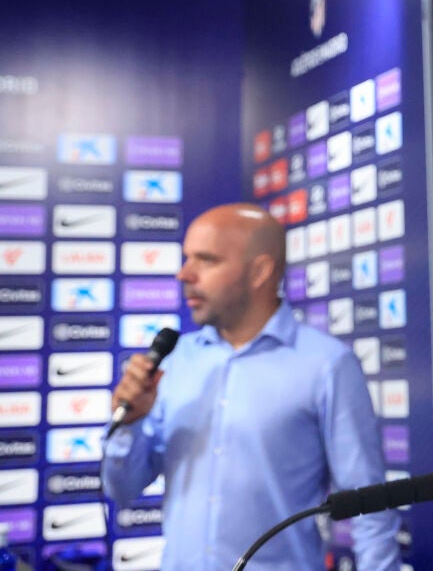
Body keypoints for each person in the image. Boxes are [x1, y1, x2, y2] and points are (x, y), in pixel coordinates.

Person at [102, 203, 400, 571]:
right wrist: (129, 424)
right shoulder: (177, 361)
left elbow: (370, 507)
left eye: (206, 260)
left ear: (259, 271)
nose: (184, 274)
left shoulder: (326, 364)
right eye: (186, 258)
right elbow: (122, 490)